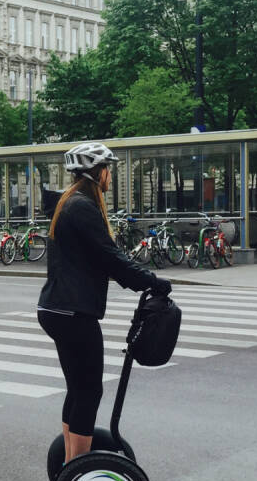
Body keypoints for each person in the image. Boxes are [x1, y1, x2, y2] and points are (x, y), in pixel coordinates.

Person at [37, 142, 171, 464]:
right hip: (72, 311)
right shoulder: (82, 206)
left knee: (78, 388)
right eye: (108, 168)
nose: (111, 175)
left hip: (57, 308)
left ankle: (70, 465)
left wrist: (141, 279)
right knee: (89, 391)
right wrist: (152, 281)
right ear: (99, 173)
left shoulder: (68, 203)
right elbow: (110, 258)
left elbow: (100, 259)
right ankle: (77, 473)